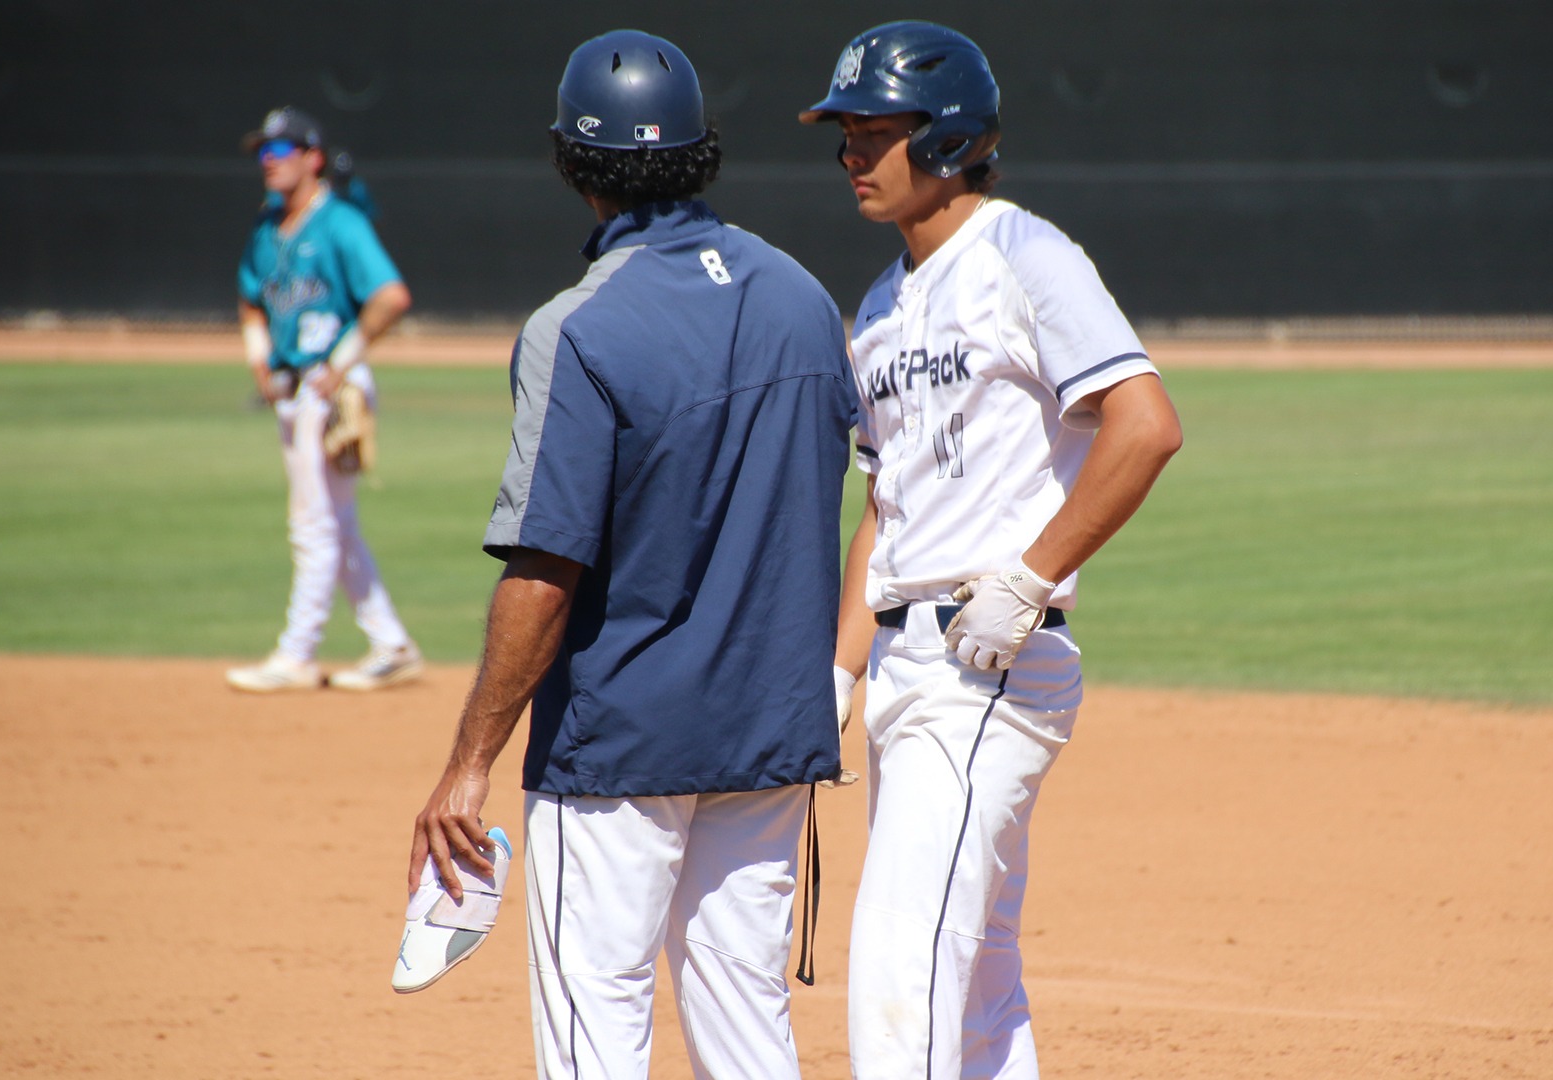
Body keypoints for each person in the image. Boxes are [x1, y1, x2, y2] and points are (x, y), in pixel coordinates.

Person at [407, 30, 855, 1080]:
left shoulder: (579, 328)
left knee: (594, 1031)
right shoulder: (801, 296)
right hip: (769, 734)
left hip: (617, 748)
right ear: (702, 149)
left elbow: (544, 569)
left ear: (572, 162)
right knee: (747, 1028)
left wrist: (468, 766)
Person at [801, 21, 1183, 1079]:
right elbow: (886, 498)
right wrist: (837, 673)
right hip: (903, 663)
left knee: (899, 959)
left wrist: (1029, 574)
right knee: (973, 978)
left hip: (990, 664)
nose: (848, 156)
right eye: (843, 133)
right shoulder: (879, 305)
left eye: (871, 132)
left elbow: (1145, 425)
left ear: (945, 138)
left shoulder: (1026, 255)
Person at [228, 106, 423, 693]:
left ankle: (296, 654)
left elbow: (390, 297)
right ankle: (390, 643)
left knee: (313, 523)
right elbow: (248, 300)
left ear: (312, 158)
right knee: (335, 523)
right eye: (262, 152)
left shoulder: (339, 224)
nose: (267, 162)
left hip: (328, 389)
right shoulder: (269, 230)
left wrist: (342, 363)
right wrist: (259, 355)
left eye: (279, 151)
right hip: (294, 390)